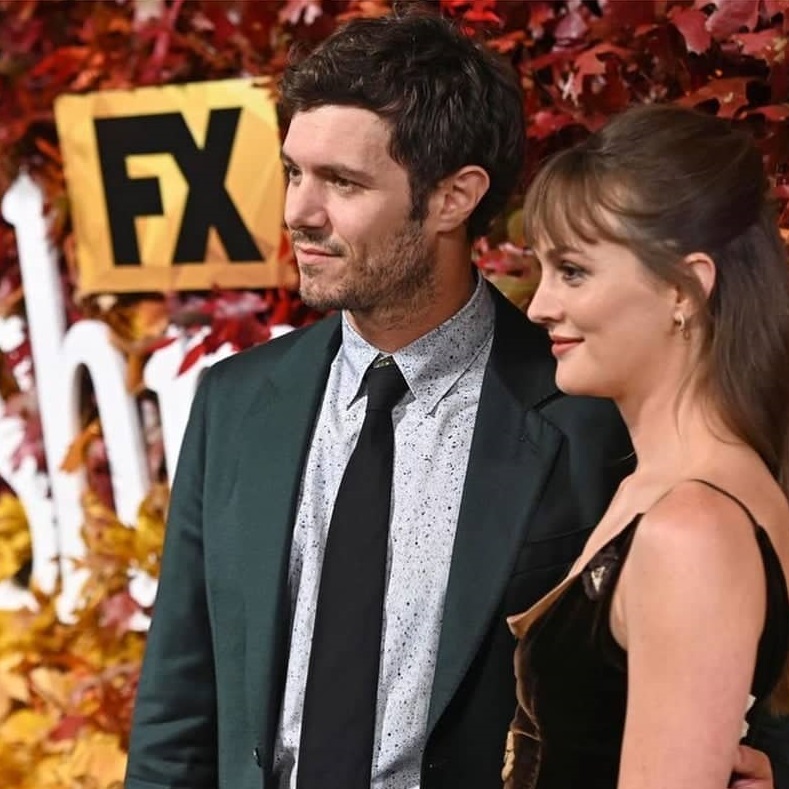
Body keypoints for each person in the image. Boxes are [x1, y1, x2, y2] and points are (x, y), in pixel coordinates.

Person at [123, 10, 782, 789]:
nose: (298, 210)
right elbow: (176, 720)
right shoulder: (234, 404)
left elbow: (728, 641)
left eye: (342, 181)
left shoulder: (595, 411)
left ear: (452, 198)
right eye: (295, 171)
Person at [504, 103, 789, 789]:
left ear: (683, 288)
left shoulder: (692, 529)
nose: (539, 305)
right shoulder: (659, 491)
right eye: (542, 269)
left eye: (572, 271)